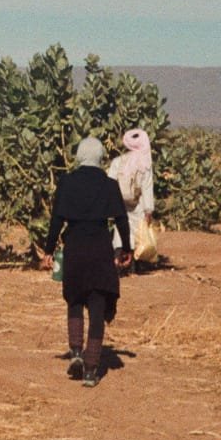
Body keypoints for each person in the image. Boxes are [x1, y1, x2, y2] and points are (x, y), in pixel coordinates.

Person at [41, 137, 131, 387]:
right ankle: (91, 371)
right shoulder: (109, 185)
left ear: (80, 156)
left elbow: (57, 220)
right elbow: (122, 220)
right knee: (98, 307)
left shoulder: (67, 182)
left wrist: (48, 251)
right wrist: (126, 248)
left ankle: (76, 352)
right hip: (100, 249)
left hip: (76, 249)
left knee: (75, 300)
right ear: (100, 157)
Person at [106, 128, 155, 269]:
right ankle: (132, 264)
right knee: (136, 232)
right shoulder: (145, 164)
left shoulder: (118, 161)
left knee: (119, 230)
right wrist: (148, 210)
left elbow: (110, 183)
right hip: (137, 203)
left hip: (119, 201)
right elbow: (147, 187)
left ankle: (117, 261)